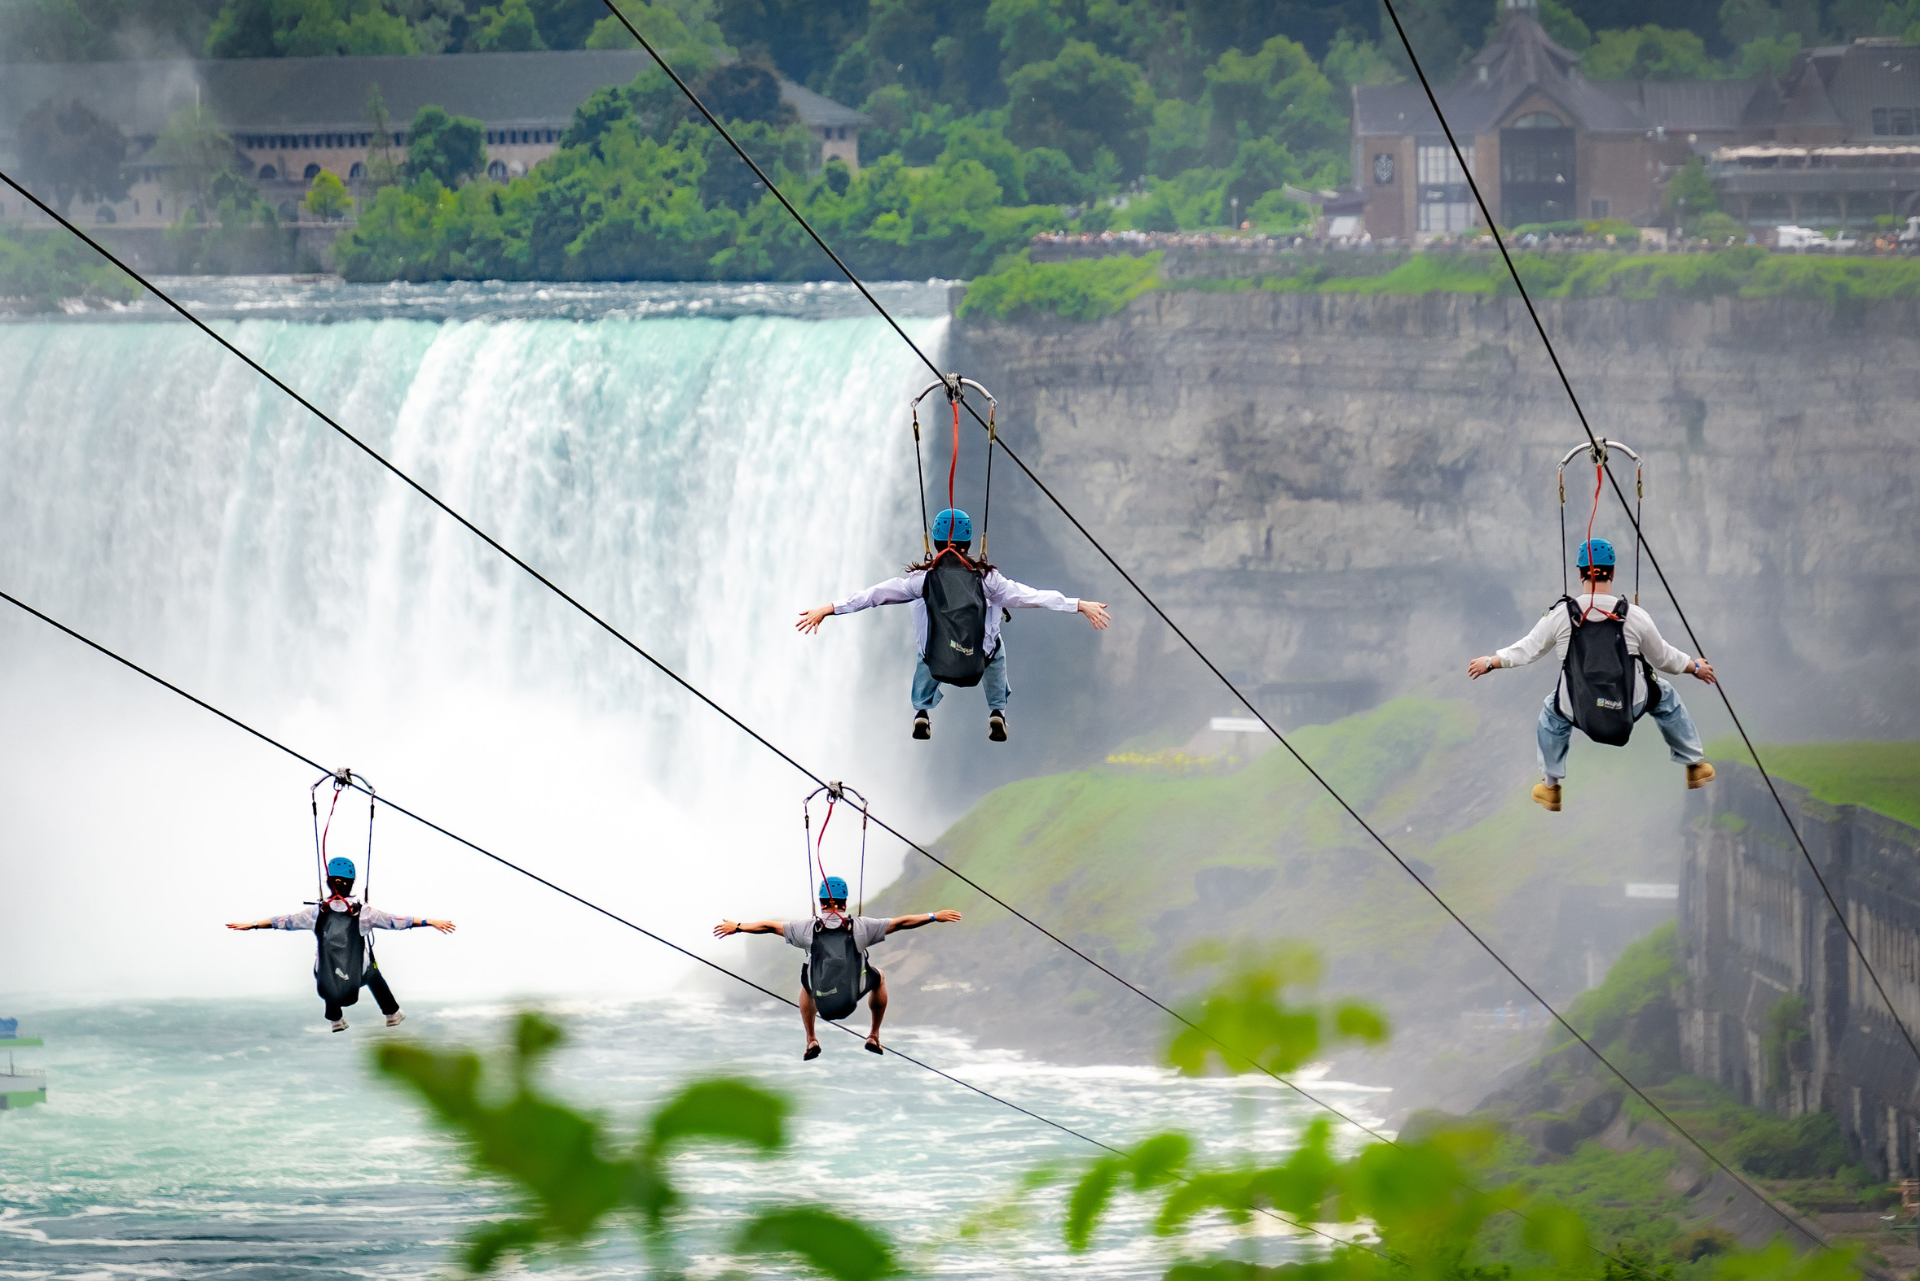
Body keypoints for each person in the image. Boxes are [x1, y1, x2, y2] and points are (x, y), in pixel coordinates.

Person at [796, 508, 1110, 741]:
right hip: (978, 657)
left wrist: (829, 608)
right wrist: (1078, 605)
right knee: (995, 650)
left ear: (933, 540)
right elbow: (1033, 597)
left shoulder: (921, 580)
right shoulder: (989, 581)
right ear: (970, 542)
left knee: (925, 650)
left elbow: (874, 595)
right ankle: (997, 711)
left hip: (937, 658)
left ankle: (922, 711)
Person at [1467, 537, 1718, 811]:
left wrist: (1490, 661)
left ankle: (1550, 786)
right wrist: (1695, 667)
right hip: (1629, 707)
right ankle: (1695, 764)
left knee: (1551, 713)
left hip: (1578, 708)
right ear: (1612, 572)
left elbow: (1528, 650)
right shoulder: (1634, 616)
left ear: (1579, 573)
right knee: (1665, 695)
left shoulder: (1561, 615)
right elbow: (1665, 658)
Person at [712, 877, 961, 1060]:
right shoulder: (862, 927)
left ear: (821, 902)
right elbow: (901, 923)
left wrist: (739, 926)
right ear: (844, 902)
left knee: (806, 982)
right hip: (850, 999)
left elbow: (768, 927)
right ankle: (874, 1034)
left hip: (823, 1004)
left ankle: (811, 1038)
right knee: (880, 977)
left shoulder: (807, 928)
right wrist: (932, 915)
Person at [227, 856, 454, 1031]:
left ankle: (335, 1019)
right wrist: (430, 921)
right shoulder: (365, 913)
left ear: (328, 883)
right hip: (358, 978)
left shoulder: (315, 912)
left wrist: (253, 924)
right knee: (373, 971)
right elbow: (398, 922)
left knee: (323, 968)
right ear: (351, 883)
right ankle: (392, 1014)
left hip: (327, 979)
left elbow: (283, 921)